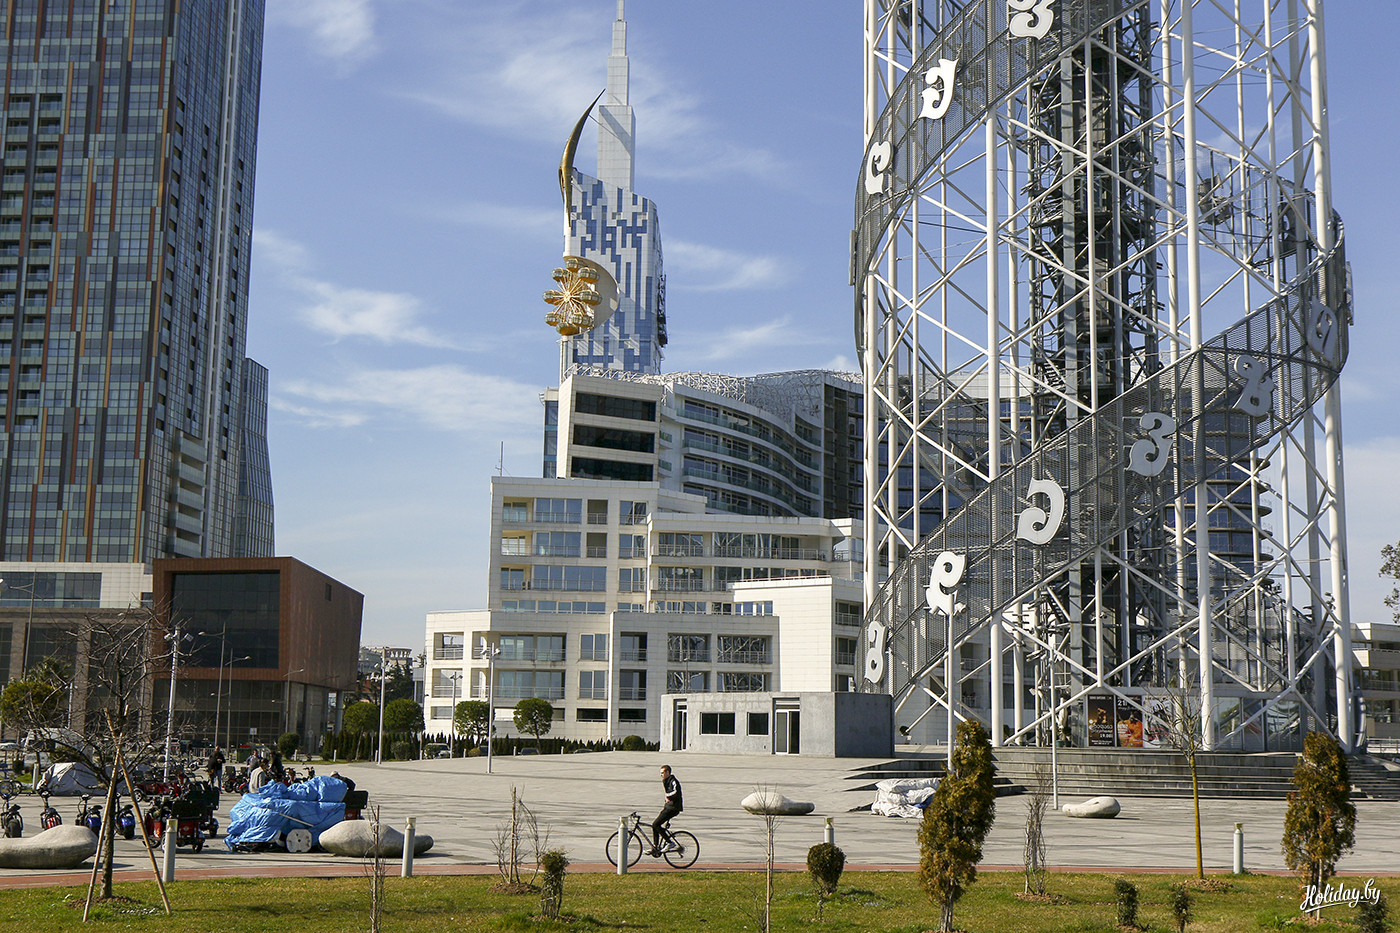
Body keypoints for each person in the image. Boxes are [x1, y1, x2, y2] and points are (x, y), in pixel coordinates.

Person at [649, 764, 683, 857]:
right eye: (660, 773)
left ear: (668, 772)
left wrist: (668, 796)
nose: (661, 775)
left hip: (674, 808)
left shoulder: (673, 781)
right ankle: (655, 847)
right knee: (655, 825)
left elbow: (676, 792)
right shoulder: (666, 781)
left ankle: (670, 842)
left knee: (656, 824)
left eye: (663, 773)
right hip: (668, 807)